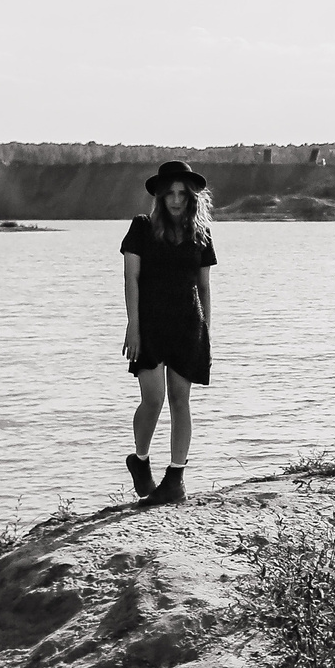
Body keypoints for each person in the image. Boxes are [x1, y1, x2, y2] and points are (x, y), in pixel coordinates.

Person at [119, 160, 214, 505]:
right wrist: (133, 325)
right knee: (153, 398)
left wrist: (206, 332)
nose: (176, 200)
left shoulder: (200, 234)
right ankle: (140, 460)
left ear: (191, 197)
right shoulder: (142, 228)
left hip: (188, 325)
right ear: (160, 196)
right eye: (170, 193)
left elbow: (203, 287)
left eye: (182, 193)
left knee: (180, 400)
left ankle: (175, 478)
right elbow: (131, 278)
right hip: (150, 325)